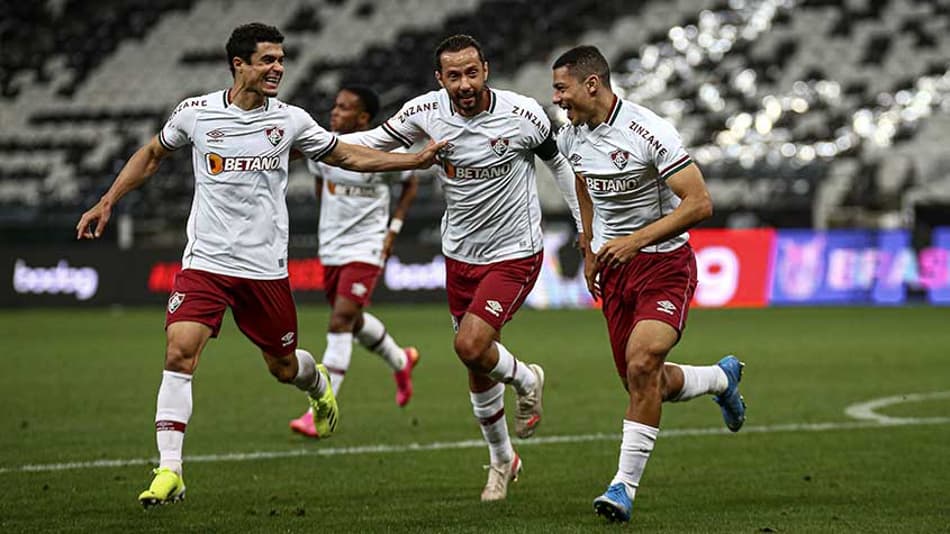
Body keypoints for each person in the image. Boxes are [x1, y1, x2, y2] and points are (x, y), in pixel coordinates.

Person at [75, 23, 444, 508]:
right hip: (204, 261)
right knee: (179, 351)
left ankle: (318, 385)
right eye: (267, 60)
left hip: (263, 270)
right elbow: (151, 155)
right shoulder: (195, 113)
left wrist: (411, 161)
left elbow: (349, 156)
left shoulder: (290, 121)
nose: (278, 68)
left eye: (280, 60)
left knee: (283, 366)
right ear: (239, 65)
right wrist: (108, 200)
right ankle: (170, 469)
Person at [341, 34, 583, 501]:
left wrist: (584, 229)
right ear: (440, 79)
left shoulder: (522, 114)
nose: (465, 83)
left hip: (515, 251)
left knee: (470, 345)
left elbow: (560, 165)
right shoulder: (424, 113)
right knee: (476, 365)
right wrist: (309, 143)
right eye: (454, 75)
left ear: (485, 70)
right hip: (461, 255)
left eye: (472, 72)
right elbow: (368, 144)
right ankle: (501, 460)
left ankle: (528, 379)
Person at [551, 45, 747, 522]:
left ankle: (623, 488)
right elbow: (582, 181)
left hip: (663, 266)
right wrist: (590, 242)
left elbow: (699, 203)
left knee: (642, 363)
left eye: (562, 88)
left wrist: (634, 241)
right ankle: (721, 379)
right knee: (643, 381)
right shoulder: (572, 135)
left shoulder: (649, 130)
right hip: (616, 270)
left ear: (591, 84)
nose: (557, 98)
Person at [289, 86, 421, 438]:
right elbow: (321, 188)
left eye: (345, 108)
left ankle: (318, 408)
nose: (335, 112)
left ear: (363, 118)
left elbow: (411, 184)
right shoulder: (321, 147)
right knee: (353, 319)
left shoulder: (384, 150)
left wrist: (393, 228)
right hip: (332, 248)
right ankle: (401, 360)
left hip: (368, 246)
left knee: (341, 319)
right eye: (335, 105)